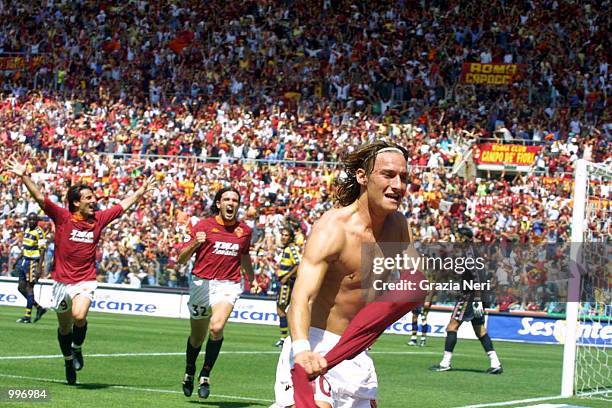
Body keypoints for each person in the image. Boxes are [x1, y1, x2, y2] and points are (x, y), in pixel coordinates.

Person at [273, 141, 423, 408]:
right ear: (362, 176)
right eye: (388, 175)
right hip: (315, 346)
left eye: (404, 177)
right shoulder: (333, 228)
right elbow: (302, 297)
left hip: (356, 353)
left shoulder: (399, 225)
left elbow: (416, 283)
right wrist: (301, 349)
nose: (399, 185)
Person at [7, 155, 157, 385]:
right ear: (76, 202)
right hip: (61, 282)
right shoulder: (63, 217)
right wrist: (23, 176)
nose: (94, 200)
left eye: (93, 196)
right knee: (64, 326)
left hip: (85, 280)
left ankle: (77, 348)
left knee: (79, 315)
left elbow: (123, 206)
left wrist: (141, 192)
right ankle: (68, 359)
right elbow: (39, 197)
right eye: (89, 197)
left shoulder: (98, 219)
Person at [177, 186, 255, 399]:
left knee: (217, 327)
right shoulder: (203, 226)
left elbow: (245, 256)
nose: (231, 203)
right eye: (227, 199)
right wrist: (195, 242)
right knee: (197, 337)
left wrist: (252, 278)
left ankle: (205, 374)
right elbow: (181, 259)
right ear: (218, 204)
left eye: (235, 200)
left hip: (228, 285)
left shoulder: (245, 231)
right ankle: (190, 369)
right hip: (201, 284)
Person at [430, 227, 503, 374]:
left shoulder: (469, 254)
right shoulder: (474, 252)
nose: (456, 240)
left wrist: (476, 298)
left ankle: (445, 362)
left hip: (469, 296)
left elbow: (476, 276)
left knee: (452, 327)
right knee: (480, 331)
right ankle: (496, 363)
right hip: (476, 296)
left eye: (458, 237)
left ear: (464, 237)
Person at [15, 213, 48, 323]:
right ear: (28, 220)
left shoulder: (40, 232)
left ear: (37, 221)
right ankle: (39, 308)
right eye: (30, 219)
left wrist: (39, 267)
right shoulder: (27, 230)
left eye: (34, 220)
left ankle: (27, 316)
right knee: (21, 288)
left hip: (33, 262)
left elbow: (43, 250)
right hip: (24, 261)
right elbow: (25, 247)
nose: (32, 221)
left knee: (29, 288)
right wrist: (16, 260)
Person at [274, 226, 301, 347]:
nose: (283, 237)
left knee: (281, 310)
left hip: (287, 282)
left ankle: (284, 338)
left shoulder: (291, 248)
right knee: (283, 310)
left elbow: (298, 263)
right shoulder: (286, 249)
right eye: (282, 235)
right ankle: (286, 337)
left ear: (290, 237)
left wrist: (286, 276)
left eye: (286, 235)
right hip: (284, 281)